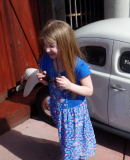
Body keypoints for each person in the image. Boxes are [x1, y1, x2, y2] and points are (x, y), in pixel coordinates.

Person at [36, 19, 96, 160]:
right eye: (45, 45)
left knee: (71, 146)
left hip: (74, 113)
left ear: (65, 44)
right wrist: (44, 81)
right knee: (68, 141)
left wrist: (70, 86)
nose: (46, 49)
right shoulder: (47, 60)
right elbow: (50, 83)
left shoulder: (79, 66)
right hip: (58, 110)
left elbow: (89, 90)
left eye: (51, 46)